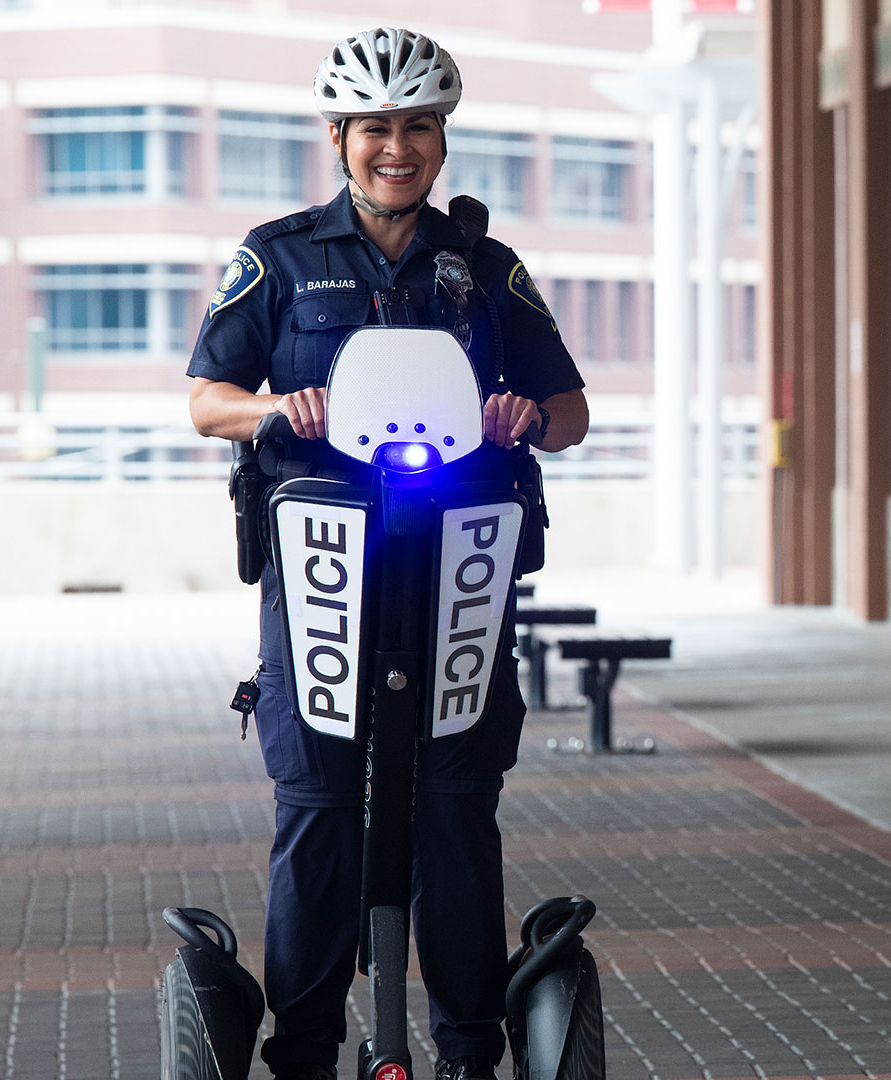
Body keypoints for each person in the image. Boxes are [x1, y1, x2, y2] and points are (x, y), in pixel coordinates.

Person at [185, 27, 589, 1080]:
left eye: (417, 126)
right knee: (318, 808)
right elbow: (204, 401)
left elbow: (570, 410)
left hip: (458, 562)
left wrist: (521, 418)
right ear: (339, 136)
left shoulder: (489, 270)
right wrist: (276, 406)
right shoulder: (278, 257)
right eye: (375, 128)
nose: (395, 147)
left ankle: (466, 1054)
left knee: (455, 805)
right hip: (321, 566)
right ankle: (305, 1054)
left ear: (441, 138)